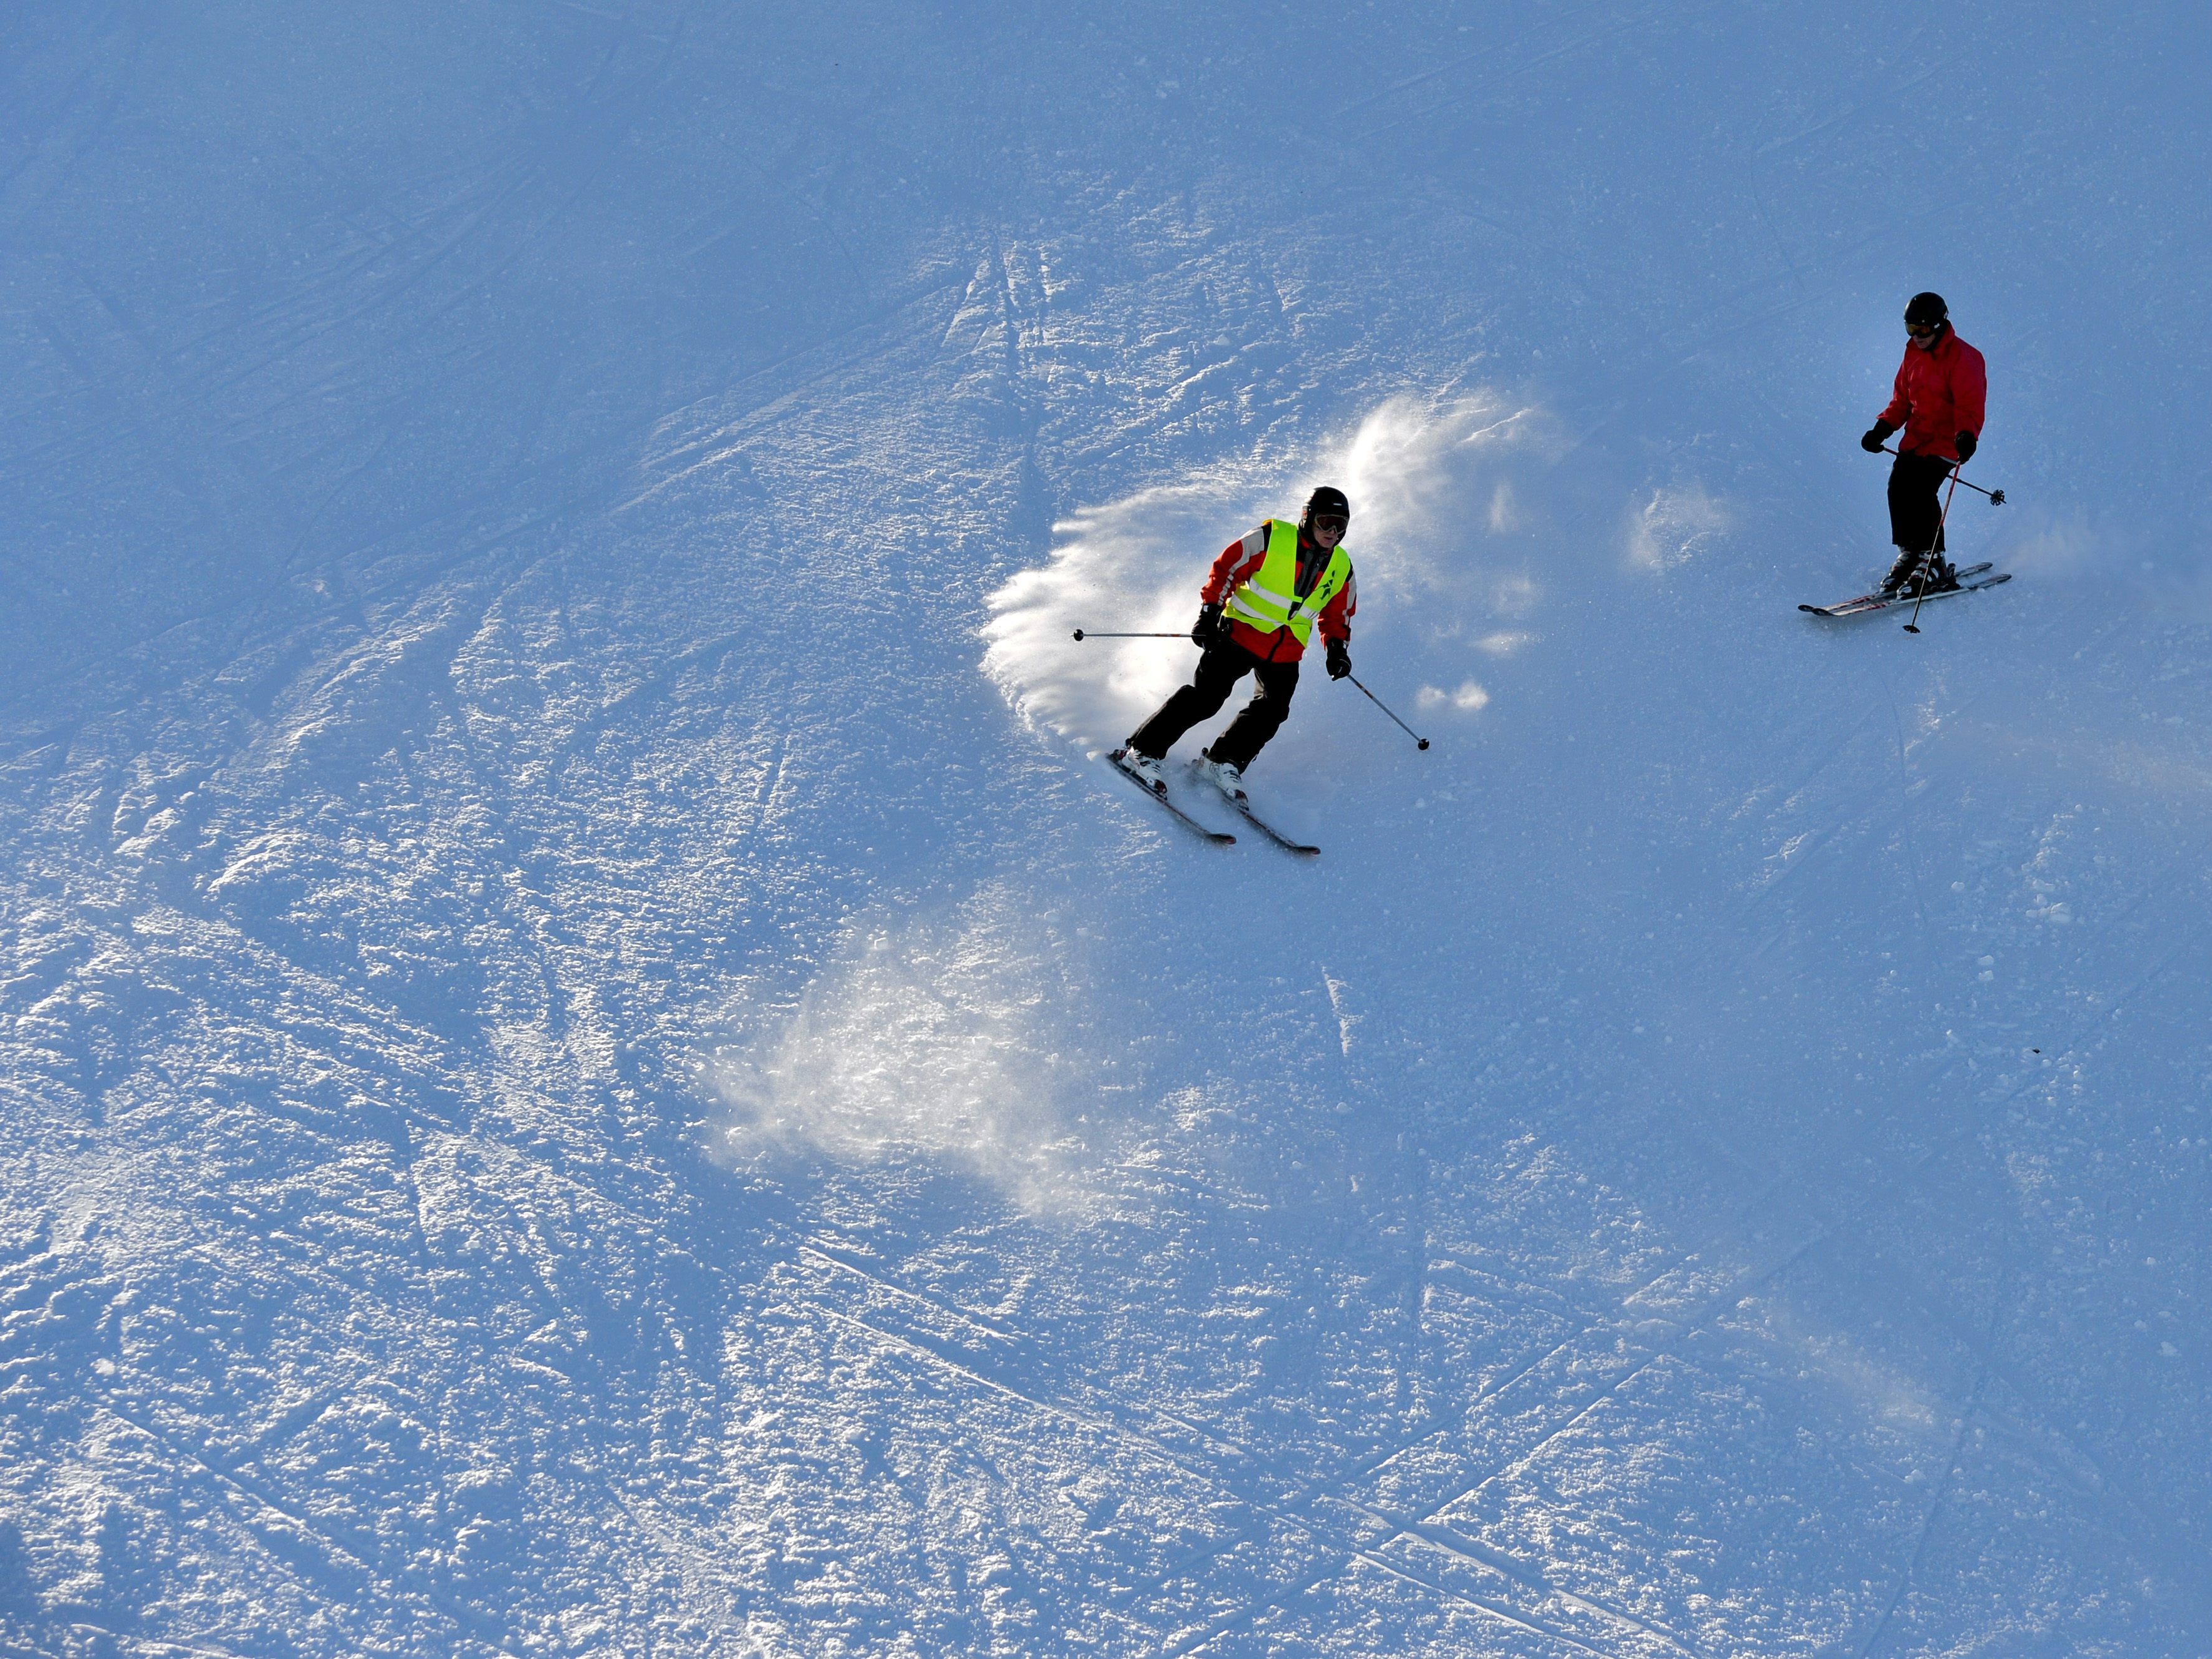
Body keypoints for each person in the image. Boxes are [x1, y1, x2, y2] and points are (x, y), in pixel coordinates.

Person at [1116, 486, 1357, 800]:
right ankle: (1142, 751)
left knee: (1272, 710)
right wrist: (1209, 613)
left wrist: (1337, 649)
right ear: (1308, 517)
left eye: (1341, 525)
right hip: (1238, 634)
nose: (1333, 532)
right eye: (1326, 522)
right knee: (1206, 698)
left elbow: (1338, 613)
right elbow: (1226, 569)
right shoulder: (1271, 539)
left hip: (1285, 649)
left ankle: (1222, 761)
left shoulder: (1341, 566)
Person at [1861, 291, 1986, 595]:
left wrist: (1966, 436)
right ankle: (1911, 552)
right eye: (1910, 329)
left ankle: (1934, 560)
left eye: (1924, 329)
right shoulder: (1912, 354)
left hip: (1947, 441)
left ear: (1940, 325)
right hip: (1916, 439)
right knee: (1898, 487)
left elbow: (1969, 405)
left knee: (1921, 491)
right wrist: (1883, 428)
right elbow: (1902, 399)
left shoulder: (1964, 358)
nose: (1917, 336)